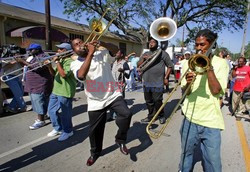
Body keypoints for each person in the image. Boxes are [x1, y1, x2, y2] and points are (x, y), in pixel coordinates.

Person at [70, 38, 132, 166]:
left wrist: (102, 43)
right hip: (95, 100)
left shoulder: (101, 53)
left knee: (126, 114)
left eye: (81, 42)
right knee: (95, 130)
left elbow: (116, 50)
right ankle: (95, 152)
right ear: (74, 50)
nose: (80, 45)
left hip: (112, 94)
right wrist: (90, 54)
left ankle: (120, 139)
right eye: (76, 45)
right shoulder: (75, 63)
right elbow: (81, 75)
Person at [179, 29, 229, 172]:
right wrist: (188, 83)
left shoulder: (221, 63)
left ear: (212, 44)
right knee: (185, 155)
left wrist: (208, 67)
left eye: (202, 45)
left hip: (211, 121)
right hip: (190, 118)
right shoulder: (187, 63)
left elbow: (216, 91)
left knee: (213, 162)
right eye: (197, 45)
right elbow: (186, 93)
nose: (199, 48)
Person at [16, 43, 53, 129]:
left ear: (38, 49)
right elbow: (27, 66)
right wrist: (20, 61)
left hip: (40, 84)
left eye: (31, 50)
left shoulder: (43, 57)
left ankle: (40, 121)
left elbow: (36, 68)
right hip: (33, 84)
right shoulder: (33, 57)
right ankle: (45, 115)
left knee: (39, 102)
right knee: (39, 102)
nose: (29, 51)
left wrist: (23, 61)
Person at [137, 37, 173, 124]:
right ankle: (151, 116)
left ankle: (161, 115)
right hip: (146, 82)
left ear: (157, 43)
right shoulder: (145, 53)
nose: (151, 43)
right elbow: (138, 65)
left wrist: (166, 78)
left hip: (158, 82)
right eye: (150, 42)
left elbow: (170, 66)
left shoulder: (162, 53)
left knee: (157, 101)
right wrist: (143, 59)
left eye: (153, 42)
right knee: (149, 101)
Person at [47, 43, 77, 141]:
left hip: (65, 91)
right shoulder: (60, 60)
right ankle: (58, 128)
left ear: (66, 51)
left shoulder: (70, 62)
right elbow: (53, 73)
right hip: (56, 90)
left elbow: (64, 74)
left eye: (60, 49)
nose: (58, 51)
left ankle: (68, 131)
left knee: (65, 113)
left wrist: (57, 63)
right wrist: (49, 66)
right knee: (51, 110)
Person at [1, 45, 30, 113]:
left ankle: (11, 107)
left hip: (18, 76)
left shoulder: (19, 57)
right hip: (9, 76)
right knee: (18, 93)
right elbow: (6, 67)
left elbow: (24, 65)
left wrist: (21, 60)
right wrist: (15, 60)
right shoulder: (5, 57)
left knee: (21, 92)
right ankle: (23, 107)